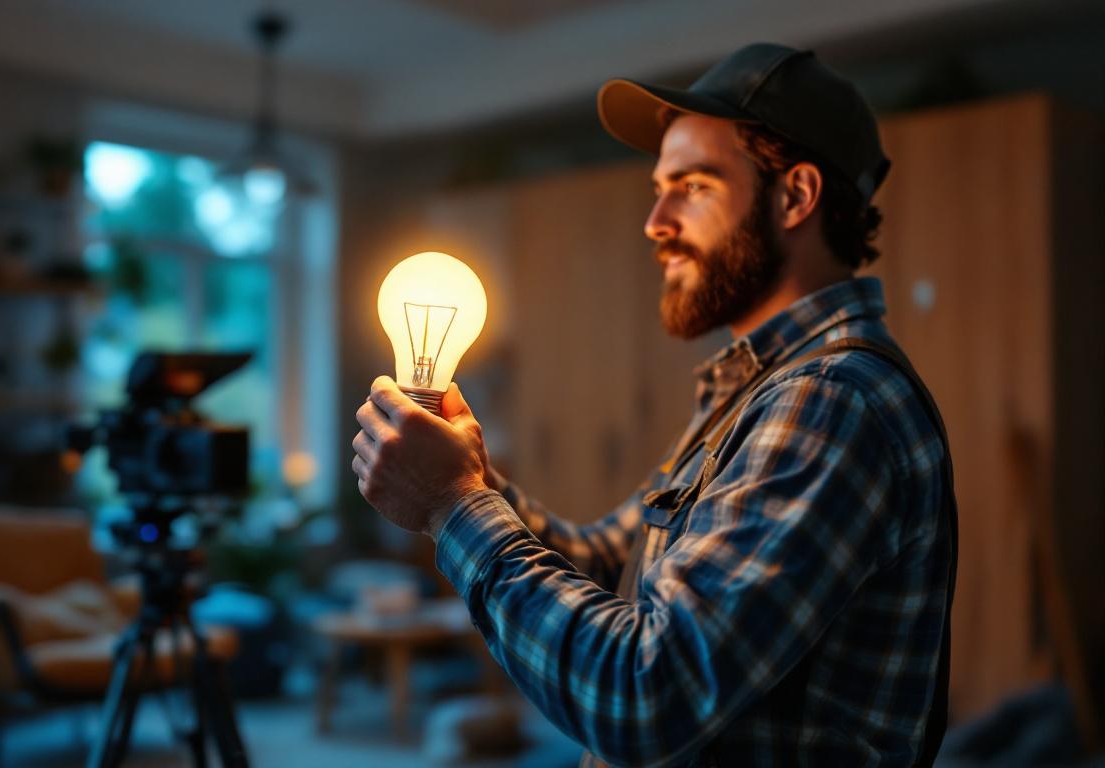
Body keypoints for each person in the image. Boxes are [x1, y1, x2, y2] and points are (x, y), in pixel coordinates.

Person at [352, 43, 956, 767]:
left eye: (693, 185)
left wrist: (453, 507)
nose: (656, 221)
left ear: (795, 196)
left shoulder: (828, 401)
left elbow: (647, 697)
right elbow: (613, 564)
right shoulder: (757, 390)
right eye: (658, 187)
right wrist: (470, 479)